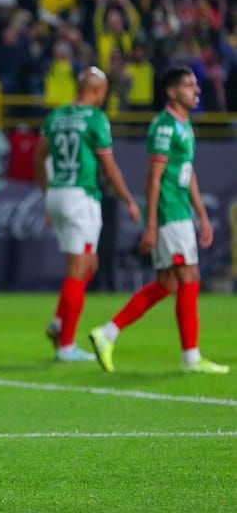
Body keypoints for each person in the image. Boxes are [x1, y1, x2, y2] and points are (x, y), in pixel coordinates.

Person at [88, 66, 229, 374]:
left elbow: (187, 173)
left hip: (181, 213)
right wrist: (151, 225)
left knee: (167, 283)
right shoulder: (164, 127)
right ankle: (190, 357)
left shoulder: (183, 125)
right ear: (171, 91)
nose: (197, 90)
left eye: (196, 85)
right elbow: (154, 178)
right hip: (170, 215)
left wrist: (202, 214)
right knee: (189, 278)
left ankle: (107, 333)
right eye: (189, 85)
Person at [34, 67, 140, 362]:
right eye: (104, 92)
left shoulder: (55, 117)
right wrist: (129, 200)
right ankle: (66, 345)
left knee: (88, 263)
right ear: (96, 90)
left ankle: (58, 322)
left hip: (57, 194)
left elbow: (38, 158)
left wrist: (47, 195)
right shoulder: (95, 118)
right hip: (81, 197)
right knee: (77, 271)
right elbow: (109, 167)